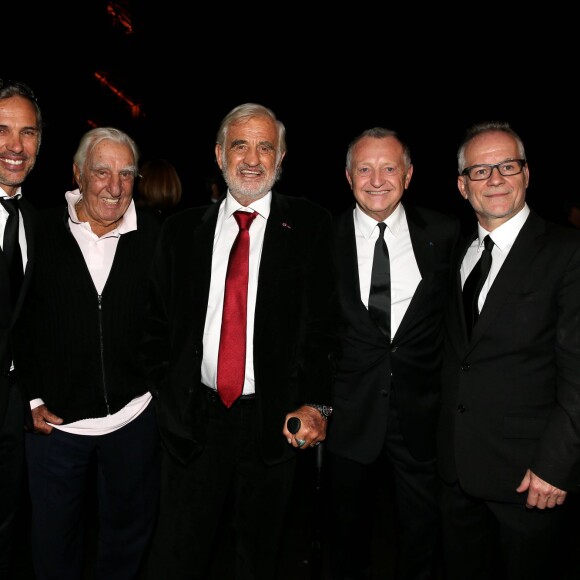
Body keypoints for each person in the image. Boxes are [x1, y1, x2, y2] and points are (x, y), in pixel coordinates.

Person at [140, 102, 339, 580]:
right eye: (240, 145)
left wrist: (316, 405)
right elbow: (155, 325)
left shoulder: (310, 225)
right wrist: (164, 396)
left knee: (259, 557)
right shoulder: (182, 230)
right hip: (194, 420)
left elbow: (323, 328)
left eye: (265, 146)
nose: (252, 158)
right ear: (218, 153)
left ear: (282, 157)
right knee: (178, 555)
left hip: (273, 424)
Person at [436, 121, 580, 580]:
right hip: (456, 475)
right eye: (479, 171)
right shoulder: (459, 253)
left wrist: (557, 466)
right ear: (462, 186)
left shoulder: (567, 252)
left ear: (526, 174)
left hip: (530, 480)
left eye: (507, 166)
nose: (494, 179)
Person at [19, 127, 161, 580]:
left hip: (133, 421)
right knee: (53, 546)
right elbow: (15, 321)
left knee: (126, 543)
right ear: (78, 173)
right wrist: (28, 396)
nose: (114, 187)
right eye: (102, 172)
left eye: (126, 174)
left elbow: (174, 324)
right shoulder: (37, 230)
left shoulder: (157, 237)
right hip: (56, 430)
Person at [325, 127, 460, 580]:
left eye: (389, 167)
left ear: (409, 174)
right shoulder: (324, 237)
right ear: (348, 176)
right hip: (348, 413)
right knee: (344, 535)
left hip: (421, 413)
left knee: (423, 533)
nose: (376, 179)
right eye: (365, 168)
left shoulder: (445, 234)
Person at [0, 78, 42, 578]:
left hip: (14, 410)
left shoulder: (40, 222)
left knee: (9, 526)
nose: (16, 146)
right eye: (3, 130)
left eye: (27, 133)